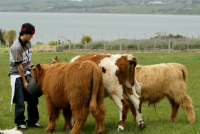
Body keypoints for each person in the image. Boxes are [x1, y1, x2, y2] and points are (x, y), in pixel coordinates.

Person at [8, 23, 43, 130]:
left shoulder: (28, 43)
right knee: (20, 100)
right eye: (31, 34)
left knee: (33, 98)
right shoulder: (16, 47)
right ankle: (20, 123)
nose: (32, 36)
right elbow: (19, 67)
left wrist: (33, 67)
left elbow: (29, 58)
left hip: (27, 72)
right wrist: (24, 81)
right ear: (25, 34)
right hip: (17, 75)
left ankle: (33, 122)